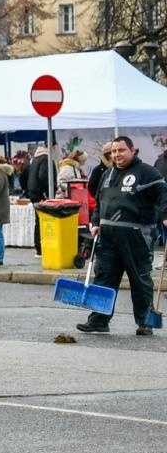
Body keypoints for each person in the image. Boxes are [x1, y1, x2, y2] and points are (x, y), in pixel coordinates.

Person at [77, 136, 167, 336]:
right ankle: (99, 319)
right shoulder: (107, 174)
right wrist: (96, 221)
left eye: (121, 150)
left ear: (132, 150)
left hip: (136, 237)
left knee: (140, 280)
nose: (116, 155)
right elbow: (100, 201)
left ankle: (145, 321)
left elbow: (163, 194)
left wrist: (165, 215)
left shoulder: (148, 173)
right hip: (108, 237)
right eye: (113, 151)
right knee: (104, 278)